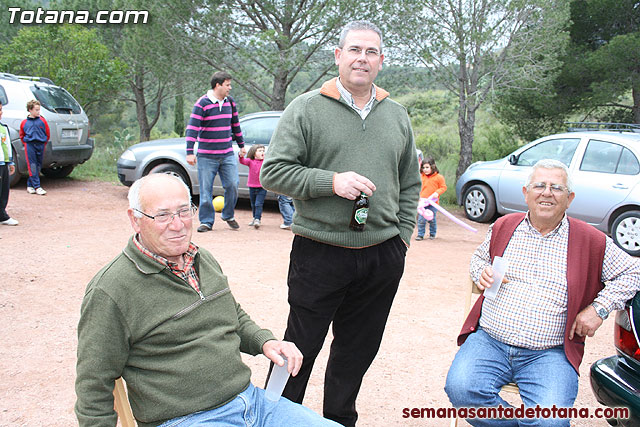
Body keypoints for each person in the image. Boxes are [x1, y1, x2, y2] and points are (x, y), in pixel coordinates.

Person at [74, 173, 342, 427]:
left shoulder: (202, 259)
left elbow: (231, 315)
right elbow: (93, 383)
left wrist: (265, 341)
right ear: (135, 219)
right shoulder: (111, 290)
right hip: (186, 419)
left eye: (183, 211)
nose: (177, 225)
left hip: (254, 403)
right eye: (163, 215)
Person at [260, 20, 421, 427]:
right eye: (354, 50)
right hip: (320, 251)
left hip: (381, 254)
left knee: (356, 350)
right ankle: (271, 418)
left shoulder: (397, 115)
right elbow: (273, 173)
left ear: (381, 61)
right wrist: (330, 181)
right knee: (298, 348)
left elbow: (410, 183)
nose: (361, 59)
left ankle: (338, 420)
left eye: (370, 52)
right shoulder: (306, 108)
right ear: (338, 56)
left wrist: (400, 239)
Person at [445, 159, 640, 427]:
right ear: (526, 193)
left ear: (569, 198)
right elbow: (478, 259)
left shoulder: (589, 239)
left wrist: (599, 309)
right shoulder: (504, 226)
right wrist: (481, 270)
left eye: (556, 188)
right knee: (463, 391)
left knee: (549, 422)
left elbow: (634, 272)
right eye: (539, 185)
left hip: (550, 352)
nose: (546, 193)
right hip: (490, 341)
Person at [186, 71, 245, 232]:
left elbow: (236, 125)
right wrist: (189, 152)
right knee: (205, 190)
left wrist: (241, 146)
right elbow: (192, 129)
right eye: (227, 85)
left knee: (233, 184)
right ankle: (206, 221)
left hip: (226, 154)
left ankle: (228, 214)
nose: (230, 88)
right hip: (206, 156)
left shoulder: (230, 103)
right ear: (217, 85)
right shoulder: (202, 104)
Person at [20, 99, 49, 195]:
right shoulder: (24, 122)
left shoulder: (42, 121)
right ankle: (37, 186)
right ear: (30, 110)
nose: (38, 112)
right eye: (36, 110)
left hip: (40, 145)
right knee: (32, 165)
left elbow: (47, 133)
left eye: (39, 110)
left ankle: (30, 185)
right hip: (30, 145)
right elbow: (22, 135)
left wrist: (43, 142)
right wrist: (26, 144)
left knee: (38, 165)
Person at [416, 157, 446, 240]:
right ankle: (420, 235)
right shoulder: (420, 177)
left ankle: (432, 234)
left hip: (433, 203)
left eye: (427, 167)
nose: (425, 169)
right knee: (421, 219)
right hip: (422, 203)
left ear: (432, 167)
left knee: (431, 219)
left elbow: (443, 187)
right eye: (423, 167)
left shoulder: (439, 177)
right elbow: (417, 188)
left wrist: (437, 192)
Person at [239, 144, 266, 228]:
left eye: (263, 151)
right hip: (252, 186)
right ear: (254, 153)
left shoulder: (265, 162)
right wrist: (241, 156)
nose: (262, 152)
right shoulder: (250, 161)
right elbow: (242, 161)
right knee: (253, 203)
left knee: (258, 203)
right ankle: (254, 218)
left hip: (262, 187)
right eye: (260, 151)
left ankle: (258, 219)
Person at [0, 103, 18, 226]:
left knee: (3, 190)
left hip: (3, 163)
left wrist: (10, 162)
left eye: (1, 110)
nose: (0, 113)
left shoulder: (3, 127)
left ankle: (2, 215)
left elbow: (6, 146)